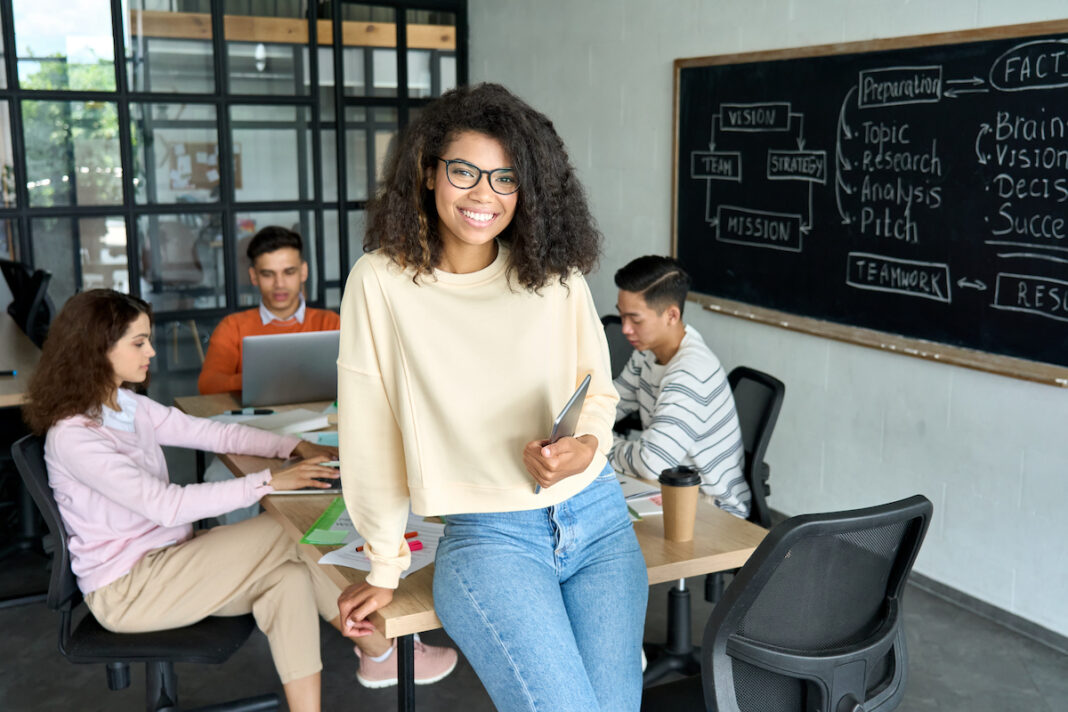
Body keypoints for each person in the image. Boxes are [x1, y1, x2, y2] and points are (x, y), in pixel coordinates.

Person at [335, 83, 648, 712]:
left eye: (505, 179)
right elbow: (369, 431)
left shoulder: (552, 272)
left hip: (599, 520)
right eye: (465, 172)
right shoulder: (381, 281)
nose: (484, 194)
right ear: (428, 174)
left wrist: (584, 446)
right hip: (491, 539)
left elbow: (596, 388)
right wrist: (384, 564)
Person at [22, 290, 455, 705]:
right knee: (288, 531)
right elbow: (166, 505)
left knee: (290, 581)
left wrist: (292, 448)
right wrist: (270, 482)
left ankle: (366, 669)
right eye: (139, 342)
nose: (151, 352)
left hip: (171, 560)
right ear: (97, 350)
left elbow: (211, 431)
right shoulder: (75, 437)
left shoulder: (122, 405)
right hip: (130, 590)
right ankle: (385, 648)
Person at [609, 255, 751, 518]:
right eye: (621, 316)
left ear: (672, 315)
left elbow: (652, 462)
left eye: (635, 320)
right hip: (665, 488)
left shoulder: (690, 373)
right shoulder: (647, 352)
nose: (625, 329)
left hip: (712, 508)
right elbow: (609, 403)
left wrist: (593, 445)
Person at [197, 226, 339, 395]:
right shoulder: (232, 327)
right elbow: (208, 384)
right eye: (268, 274)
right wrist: (262, 379)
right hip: (253, 420)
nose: (279, 284)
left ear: (303, 272)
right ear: (253, 276)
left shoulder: (331, 323)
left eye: (289, 272)